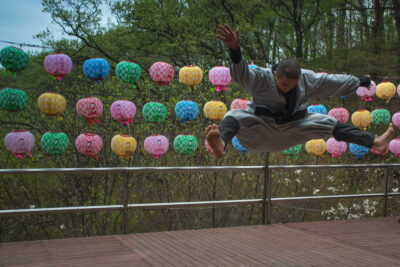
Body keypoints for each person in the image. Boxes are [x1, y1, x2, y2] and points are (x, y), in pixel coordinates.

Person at [205, 24, 395, 158]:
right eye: (284, 85)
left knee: (328, 122)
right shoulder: (261, 77)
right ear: (275, 75)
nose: (288, 88)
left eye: (292, 86)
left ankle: (375, 142)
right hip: (260, 127)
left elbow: (330, 81)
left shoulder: (306, 78)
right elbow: (241, 73)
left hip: (293, 126)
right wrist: (235, 50)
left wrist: (358, 81)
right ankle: (221, 144)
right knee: (234, 115)